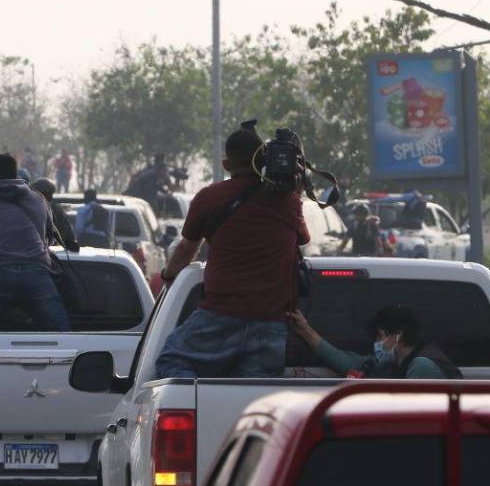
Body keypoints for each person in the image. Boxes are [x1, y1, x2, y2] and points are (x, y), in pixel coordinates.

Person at [155, 124, 310, 379]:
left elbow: (185, 249)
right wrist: (296, 192)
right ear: (262, 158)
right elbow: (301, 239)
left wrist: (168, 275)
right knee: (251, 399)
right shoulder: (288, 201)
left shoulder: (208, 197)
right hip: (271, 324)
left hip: (219, 316)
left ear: (226, 164)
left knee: (171, 360)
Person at [0, 153, 70, 332]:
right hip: (37, 271)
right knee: (61, 332)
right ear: (16, 174)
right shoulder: (38, 199)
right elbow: (48, 238)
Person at [286, 304, 462, 379]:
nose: (376, 344)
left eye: (380, 337)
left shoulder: (422, 366)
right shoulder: (394, 364)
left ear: (396, 336)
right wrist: (305, 331)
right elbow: (348, 364)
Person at [32, 177, 80, 252]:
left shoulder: (55, 210)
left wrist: (70, 244)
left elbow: (67, 235)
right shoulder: (29, 207)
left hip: (47, 251)